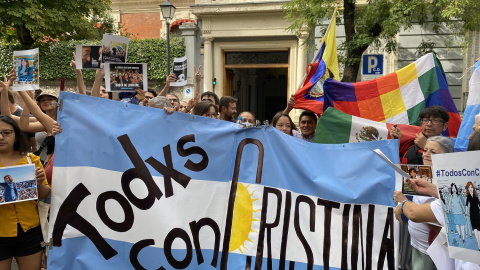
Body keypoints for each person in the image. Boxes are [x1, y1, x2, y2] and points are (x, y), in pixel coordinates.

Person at [394, 136, 454, 270]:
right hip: (416, 243)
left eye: (433, 152)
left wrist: (404, 204)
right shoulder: (420, 172)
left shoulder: (449, 180)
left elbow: (438, 218)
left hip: (434, 250)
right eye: (425, 150)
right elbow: (413, 198)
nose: (426, 155)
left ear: (447, 155)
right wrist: (401, 205)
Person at [0, 115, 50, 270]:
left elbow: (44, 194)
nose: (1, 137)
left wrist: (39, 183)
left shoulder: (31, 160)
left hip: (30, 230)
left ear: (16, 135)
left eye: (6, 133)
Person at [465, 181, 480, 248]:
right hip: (472, 214)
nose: (470, 188)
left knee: (479, 229)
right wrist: (466, 211)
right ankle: (478, 244)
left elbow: (479, 204)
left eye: (471, 187)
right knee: (475, 229)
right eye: (469, 187)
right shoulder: (468, 197)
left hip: (477, 213)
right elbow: (466, 205)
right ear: (467, 189)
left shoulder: (475, 196)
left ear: (473, 188)